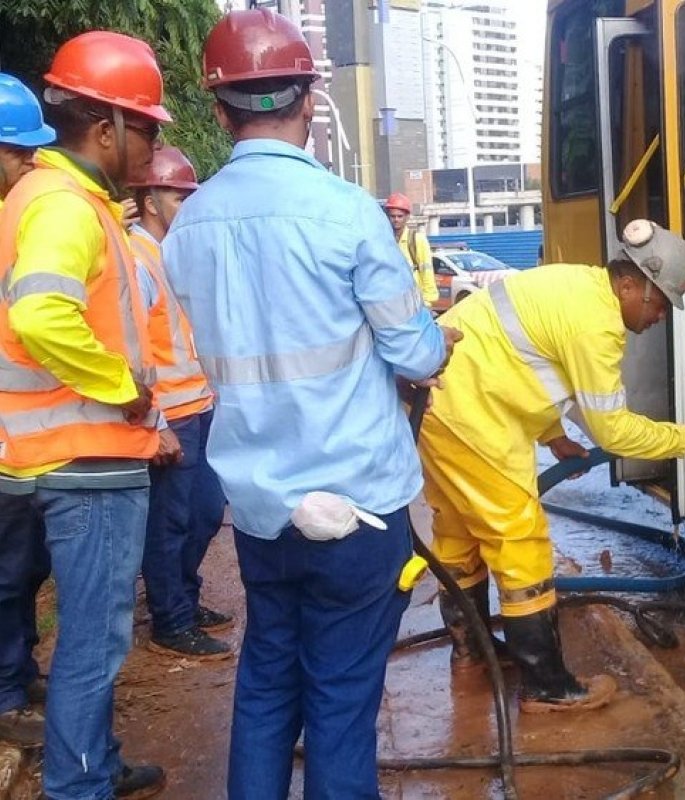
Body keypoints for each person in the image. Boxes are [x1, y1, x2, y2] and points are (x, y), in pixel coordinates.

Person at [162, 10, 457, 799]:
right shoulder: (347, 211)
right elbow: (417, 353)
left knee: (265, 685)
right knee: (339, 700)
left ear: (220, 111)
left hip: (260, 508)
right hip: (358, 507)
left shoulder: (185, 226)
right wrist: (437, 346)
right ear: (310, 101)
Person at [420, 218, 685, 713]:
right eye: (658, 304)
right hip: (471, 415)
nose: (658, 317)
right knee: (519, 542)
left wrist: (554, 435)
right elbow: (614, 431)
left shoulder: (576, 284)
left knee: (460, 536)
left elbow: (517, 353)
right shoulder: (599, 325)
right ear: (629, 283)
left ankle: (473, 653)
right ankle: (547, 686)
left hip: (439, 402)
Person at [0, 32, 173, 799]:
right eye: (149, 129)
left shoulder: (44, 199)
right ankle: (78, 787)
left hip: (53, 455)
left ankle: (91, 764)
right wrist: (123, 388)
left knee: (88, 639)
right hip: (87, 459)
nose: (153, 148)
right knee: (94, 644)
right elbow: (40, 314)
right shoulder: (66, 207)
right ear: (105, 125)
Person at [127, 146, 232, 661]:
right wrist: (156, 421)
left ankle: (184, 601)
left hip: (199, 406)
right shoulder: (137, 259)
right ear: (149, 199)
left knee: (206, 512)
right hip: (171, 415)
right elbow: (128, 350)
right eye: (177, 194)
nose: (186, 203)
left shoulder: (170, 254)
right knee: (170, 525)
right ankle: (171, 619)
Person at [0, 71, 56, 748]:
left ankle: (19, 671)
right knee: (9, 572)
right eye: (17, 153)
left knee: (25, 567)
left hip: (24, 441)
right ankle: (7, 690)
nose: (26, 167)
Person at [384, 192, 439, 308]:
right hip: (391, 304)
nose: (396, 220)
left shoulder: (417, 240)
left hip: (415, 303)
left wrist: (427, 302)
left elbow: (427, 271)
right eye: (392, 216)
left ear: (407, 217)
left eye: (400, 216)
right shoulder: (383, 241)